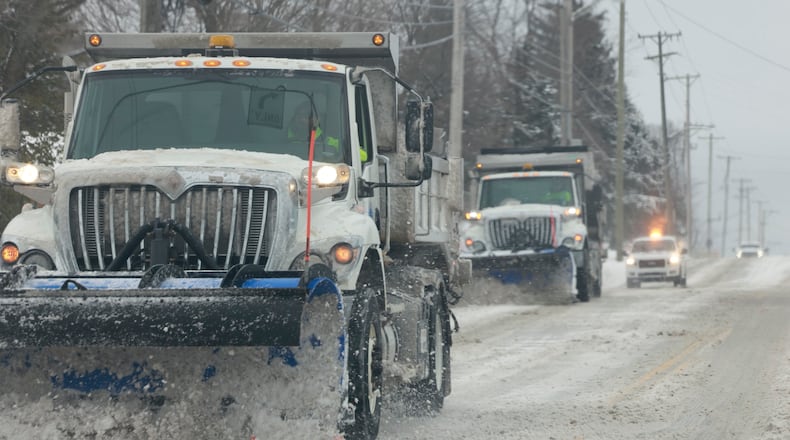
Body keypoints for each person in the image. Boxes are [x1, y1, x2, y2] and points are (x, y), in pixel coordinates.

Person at [287, 102, 368, 162]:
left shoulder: (329, 141)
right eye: (299, 116)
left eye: (307, 116)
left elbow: (364, 156)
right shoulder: (283, 138)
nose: (302, 120)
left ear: (317, 120)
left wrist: (342, 154)